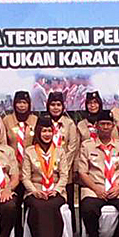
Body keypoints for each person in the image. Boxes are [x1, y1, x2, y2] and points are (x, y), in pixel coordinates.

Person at [78, 109, 119, 237]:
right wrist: (96, 189)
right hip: (94, 187)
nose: (105, 127)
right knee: (88, 209)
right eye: (102, 124)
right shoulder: (87, 146)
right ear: (96, 125)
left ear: (113, 126)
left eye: (108, 124)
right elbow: (83, 173)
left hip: (116, 188)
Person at [22, 114, 69, 237]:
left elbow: (64, 176)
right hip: (35, 190)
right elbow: (25, 177)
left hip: (55, 190)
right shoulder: (29, 151)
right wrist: (34, 191)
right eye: (44, 131)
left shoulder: (60, 151)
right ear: (38, 132)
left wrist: (56, 190)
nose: (47, 134)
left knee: (52, 205)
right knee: (38, 205)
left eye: (49, 131)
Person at [3, 90, 37, 237]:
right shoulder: (7, 120)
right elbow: (3, 145)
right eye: (18, 102)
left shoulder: (35, 120)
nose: (21, 106)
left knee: (31, 202)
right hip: (13, 169)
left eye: (24, 103)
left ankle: (30, 235)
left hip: (31, 169)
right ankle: (16, 233)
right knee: (14, 203)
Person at [47, 91, 79, 229]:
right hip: (45, 167)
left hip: (65, 168)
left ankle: (69, 231)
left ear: (63, 106)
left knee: (67, 199)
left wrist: (63, 166)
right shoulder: (44, 122)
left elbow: (72, 147)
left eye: (58, 105)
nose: (55, 108)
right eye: (52, 104)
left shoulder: (69, 123)